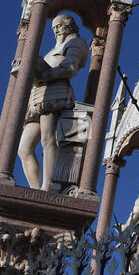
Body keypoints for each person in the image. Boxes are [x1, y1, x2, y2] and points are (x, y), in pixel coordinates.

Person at [18, 14, 89, 190]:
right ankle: (35, 188)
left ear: (70, 26)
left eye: (59, 25)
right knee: (24, 149)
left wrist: (46, 74)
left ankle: (47, 186)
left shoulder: (76, 43)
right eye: (53, 27)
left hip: (55, 93)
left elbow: (71, 66)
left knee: (48, 140)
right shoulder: (53, 49)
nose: (55, 30)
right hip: (38, 96)